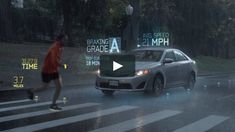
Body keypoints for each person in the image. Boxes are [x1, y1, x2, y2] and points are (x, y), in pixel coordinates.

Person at [28, 34, 65, 111]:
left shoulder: (60, 47)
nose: (66, 41)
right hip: (47, 70)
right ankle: (31, 91)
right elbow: (53, 61)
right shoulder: (54, 47)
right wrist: (62, 65)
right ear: (60, 39)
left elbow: (57, 59)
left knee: (59, 86)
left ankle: (53, 104)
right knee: (44, 87)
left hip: (54, 70)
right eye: (65, 39)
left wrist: (59, 63)